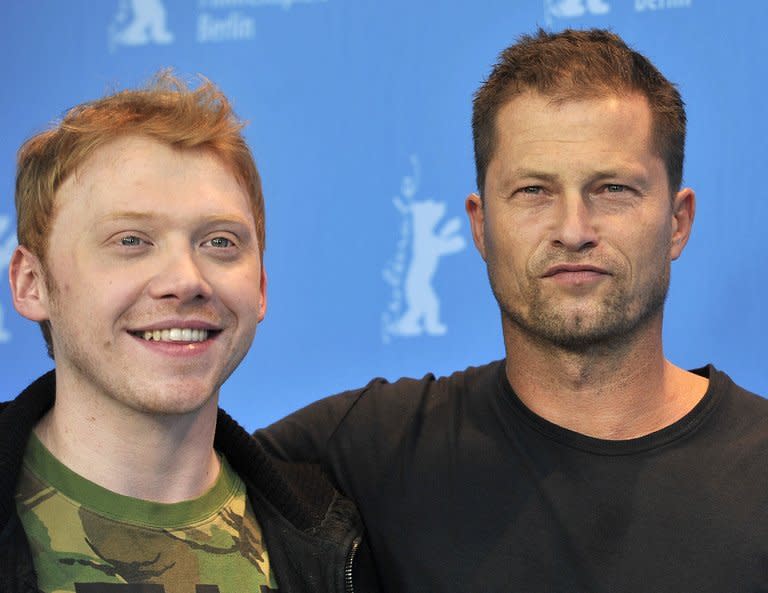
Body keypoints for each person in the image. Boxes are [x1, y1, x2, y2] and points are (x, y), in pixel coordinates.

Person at [258, 29, 768, 592]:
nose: (574, 230)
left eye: (613, 188)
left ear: (678, 222)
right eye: (533, 191)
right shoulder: (369, 452)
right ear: (481, 225)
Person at [2, 73, 376, 593]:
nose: (186, 281)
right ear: (30, 283)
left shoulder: (340, 538)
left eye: (220, 242)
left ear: (262, 286)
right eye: (131, 239)